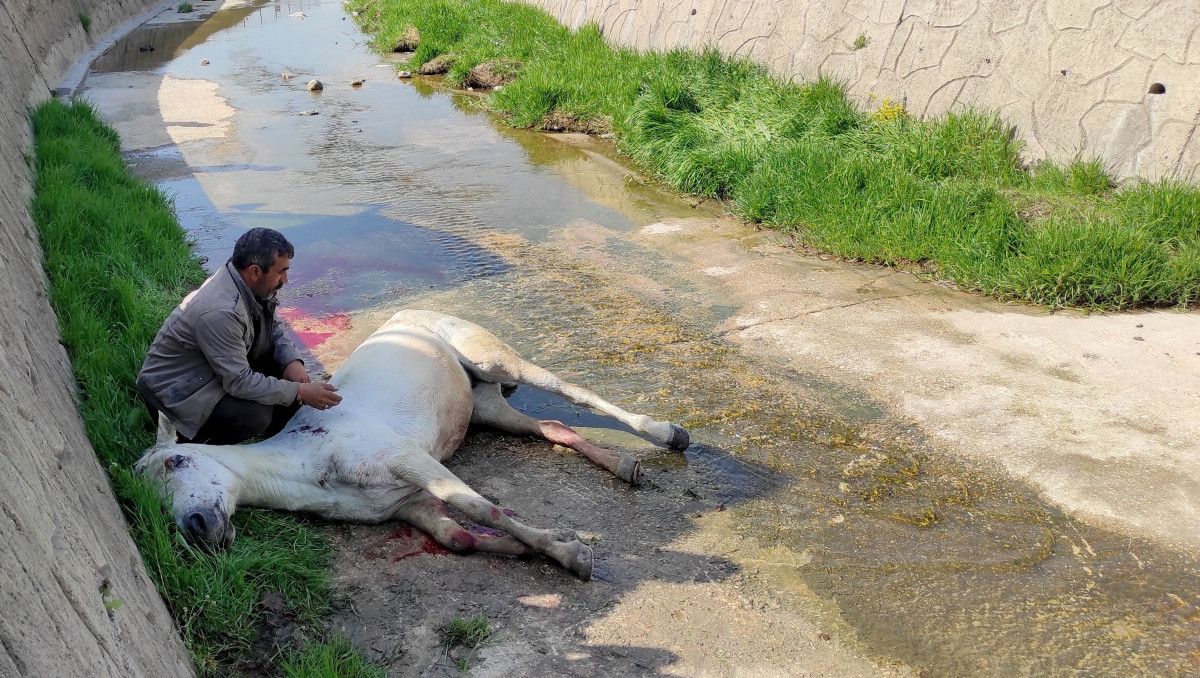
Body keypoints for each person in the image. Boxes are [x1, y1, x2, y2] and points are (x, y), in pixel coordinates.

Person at [136, 227, 341, 444]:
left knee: (287, 385)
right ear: (254, 271)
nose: (286, 279)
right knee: (255, 416)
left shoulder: (247, 281)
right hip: (175, 394)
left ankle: (281, 433)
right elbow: (239, 382)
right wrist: (299, 391)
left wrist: (291, 360)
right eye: (281, 271)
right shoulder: (221, 312)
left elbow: (272, 325)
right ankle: (195, 441)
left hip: (206, 370)